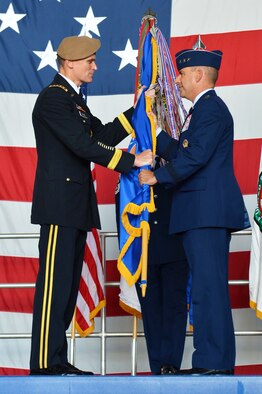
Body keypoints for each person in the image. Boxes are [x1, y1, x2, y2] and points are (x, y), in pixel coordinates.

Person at [29, 35, 153, 376]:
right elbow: (84, 145)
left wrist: (138, 109)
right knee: (54, 287)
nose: (95, 66)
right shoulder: (54, 100)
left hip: (74, 207)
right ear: (70, 63)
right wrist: (130, 162)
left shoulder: (75, 102)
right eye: (90, 61)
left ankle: (55, 359)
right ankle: (43, 362)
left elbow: (104, 134)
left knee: (67, 288)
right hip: (58, 209)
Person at [139, 43, 250, 375]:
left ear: (199, 75)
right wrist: (155, 133)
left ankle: (212, 363)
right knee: (205, 288)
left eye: (183, 75)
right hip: (199, 215)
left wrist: (157, 178)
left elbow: (195, 156)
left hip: (206, 215)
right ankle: (212, 361)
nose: (179, 82)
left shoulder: (210, 109)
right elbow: (186, 150)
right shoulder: (199, 112)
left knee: (208, 289)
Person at [115, 160, 189, 375]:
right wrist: (128, 252)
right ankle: (157, 366)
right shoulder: (129, 171)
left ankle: (171, 364)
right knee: (152, 311)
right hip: (143, 251)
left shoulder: (176, 163)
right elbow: (122, 209)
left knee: (174, 309)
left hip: (175, 244)